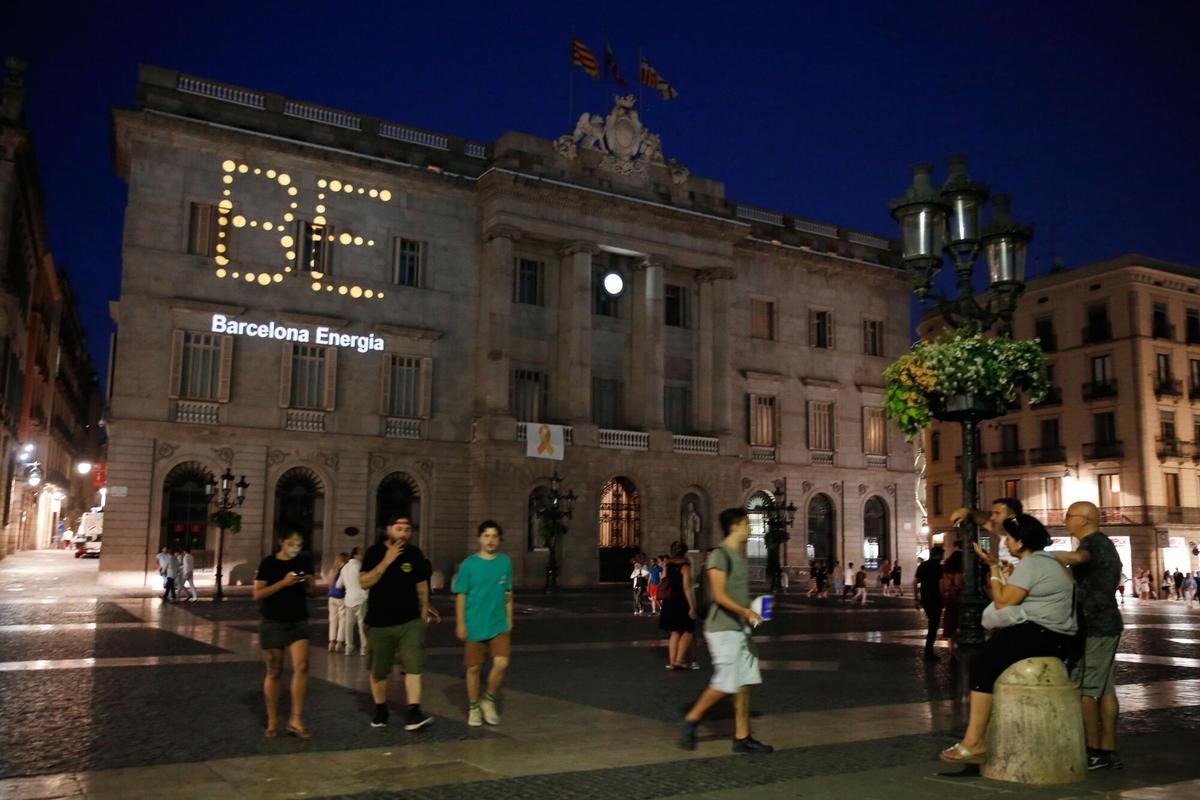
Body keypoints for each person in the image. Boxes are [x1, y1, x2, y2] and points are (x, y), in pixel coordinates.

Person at [938, 515, 1078, 764]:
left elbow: (1003, 601)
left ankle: (974, 741)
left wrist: (992, 567)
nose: (1009, 542)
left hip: (1046, 632)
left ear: (1021, 541)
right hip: (1058, 634)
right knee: (991, 655)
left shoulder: (1032, 564)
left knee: (982, 665)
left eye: (1011, 538)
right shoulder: (1047, 561)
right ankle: (975, 739)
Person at [679, 508, 773, 754]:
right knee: (726, 682)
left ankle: (742, 738)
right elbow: (719, 596)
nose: (750, 528)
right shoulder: (719, 556)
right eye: (746, 524)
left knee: (743, 682)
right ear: (736, 526)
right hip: (722, 628)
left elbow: (736, 595)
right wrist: (747, 613)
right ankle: (692, 719)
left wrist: (754, 609)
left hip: (739, 627)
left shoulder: (737, 556)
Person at [1054, 501, 1125, 770]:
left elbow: (1079, 559)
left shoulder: (1092, 544)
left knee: (1086, 689)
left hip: (1094, 625)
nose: (1065, 520)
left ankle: (1094, 750)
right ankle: (1108, 749)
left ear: (1084, 520)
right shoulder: (1103, 543)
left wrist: (1045, 557)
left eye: (1069, 516)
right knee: (1105, 688)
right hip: (1107, 622)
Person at [360, 517, 435, 731]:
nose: (403, 534)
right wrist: (387, 560)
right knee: (379, 669)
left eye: (407, 530)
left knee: (414, 666)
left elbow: (422, 586)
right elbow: (364, 582)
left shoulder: (415, 554)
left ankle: (414, 711)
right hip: (380, 622)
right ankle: (380, 709)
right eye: (399, 529)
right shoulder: (374, 552)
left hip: (410, 621)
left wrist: (422, 617)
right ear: (389, 529)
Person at [253, 531, 320, 739]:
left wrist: (309, 583)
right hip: (273, 621)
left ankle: (296, 719)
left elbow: (312, 592)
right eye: (291, 544)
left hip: (298, 620)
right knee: (275, 670)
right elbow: (258, 594)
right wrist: (284, 583)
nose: (295, 549)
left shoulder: (304, 562)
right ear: (281, 541)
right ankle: (273, 720)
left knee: (302, 666)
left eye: (299, 545)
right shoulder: (269, 563)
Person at [453, 520, 513, 726]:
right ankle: (473, 707)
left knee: (502, 662)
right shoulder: (469, 564)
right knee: (473, 668)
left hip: (498, 622)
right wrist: (460, 623)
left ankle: (488, 699)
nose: (490, 540)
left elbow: (508, 593)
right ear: (479, 538)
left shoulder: (505, 562)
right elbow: (461, 595)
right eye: (486, 536)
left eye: (494, 536)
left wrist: (509, 617)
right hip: (475, 622)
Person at [660, 540, 699, 670]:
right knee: (688, 630)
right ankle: (680, 660)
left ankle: (672, 662)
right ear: (685, 552)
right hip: (681, 601)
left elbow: (663, 579)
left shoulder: (668, 565)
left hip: (669, 602)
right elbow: (687, 587)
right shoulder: (685, 566)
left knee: (675, 632)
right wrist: (692, 606)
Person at [914, 546, 944, 660]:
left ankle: (928, 650)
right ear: (939, 555)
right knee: (933, 625)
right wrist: (944, 597)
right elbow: (941, 584)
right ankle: (928, 651)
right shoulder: (939, 567)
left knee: (932, 622)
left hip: (925, 599)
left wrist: (916, 598)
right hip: (936, 598)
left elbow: (915, 582)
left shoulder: (922, 565)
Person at [339, 546, 368, 655]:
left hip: (348, 599)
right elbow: (365, 581)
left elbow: (339, 585)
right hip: (361, 597)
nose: (363, 555)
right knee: (362, 625)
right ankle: (364, 648)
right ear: (355, 555)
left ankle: (348, 647)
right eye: (361, 553)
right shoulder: (360, 566)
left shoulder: (344, 568)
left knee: (349, 625)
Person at [326, 553, 349, 653]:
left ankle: (331, 642)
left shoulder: (333, 570)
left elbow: (328, 583)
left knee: (333, 620)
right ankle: (340, 642)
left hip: (331, 597)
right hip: (342, 597)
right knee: (343, 620)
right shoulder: (345, 570)